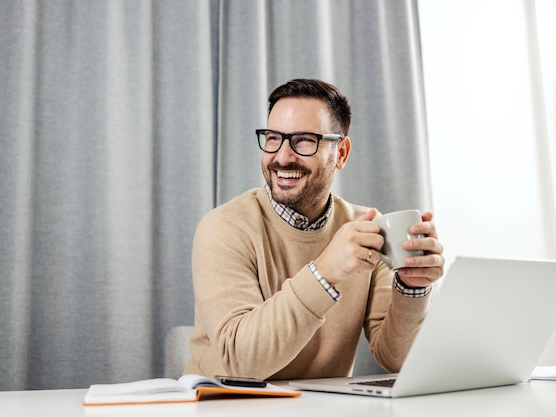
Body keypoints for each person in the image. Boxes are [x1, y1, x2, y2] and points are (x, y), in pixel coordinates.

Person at [183, 78, 445, 380]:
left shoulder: (367, 231)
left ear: (342, 154)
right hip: (226, 408)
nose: (282, 157)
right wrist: (325, 272)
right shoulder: (225, 228)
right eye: (273, 138)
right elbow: (242, 364)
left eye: (304, 140)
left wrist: (412, 289)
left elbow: (398, 359)